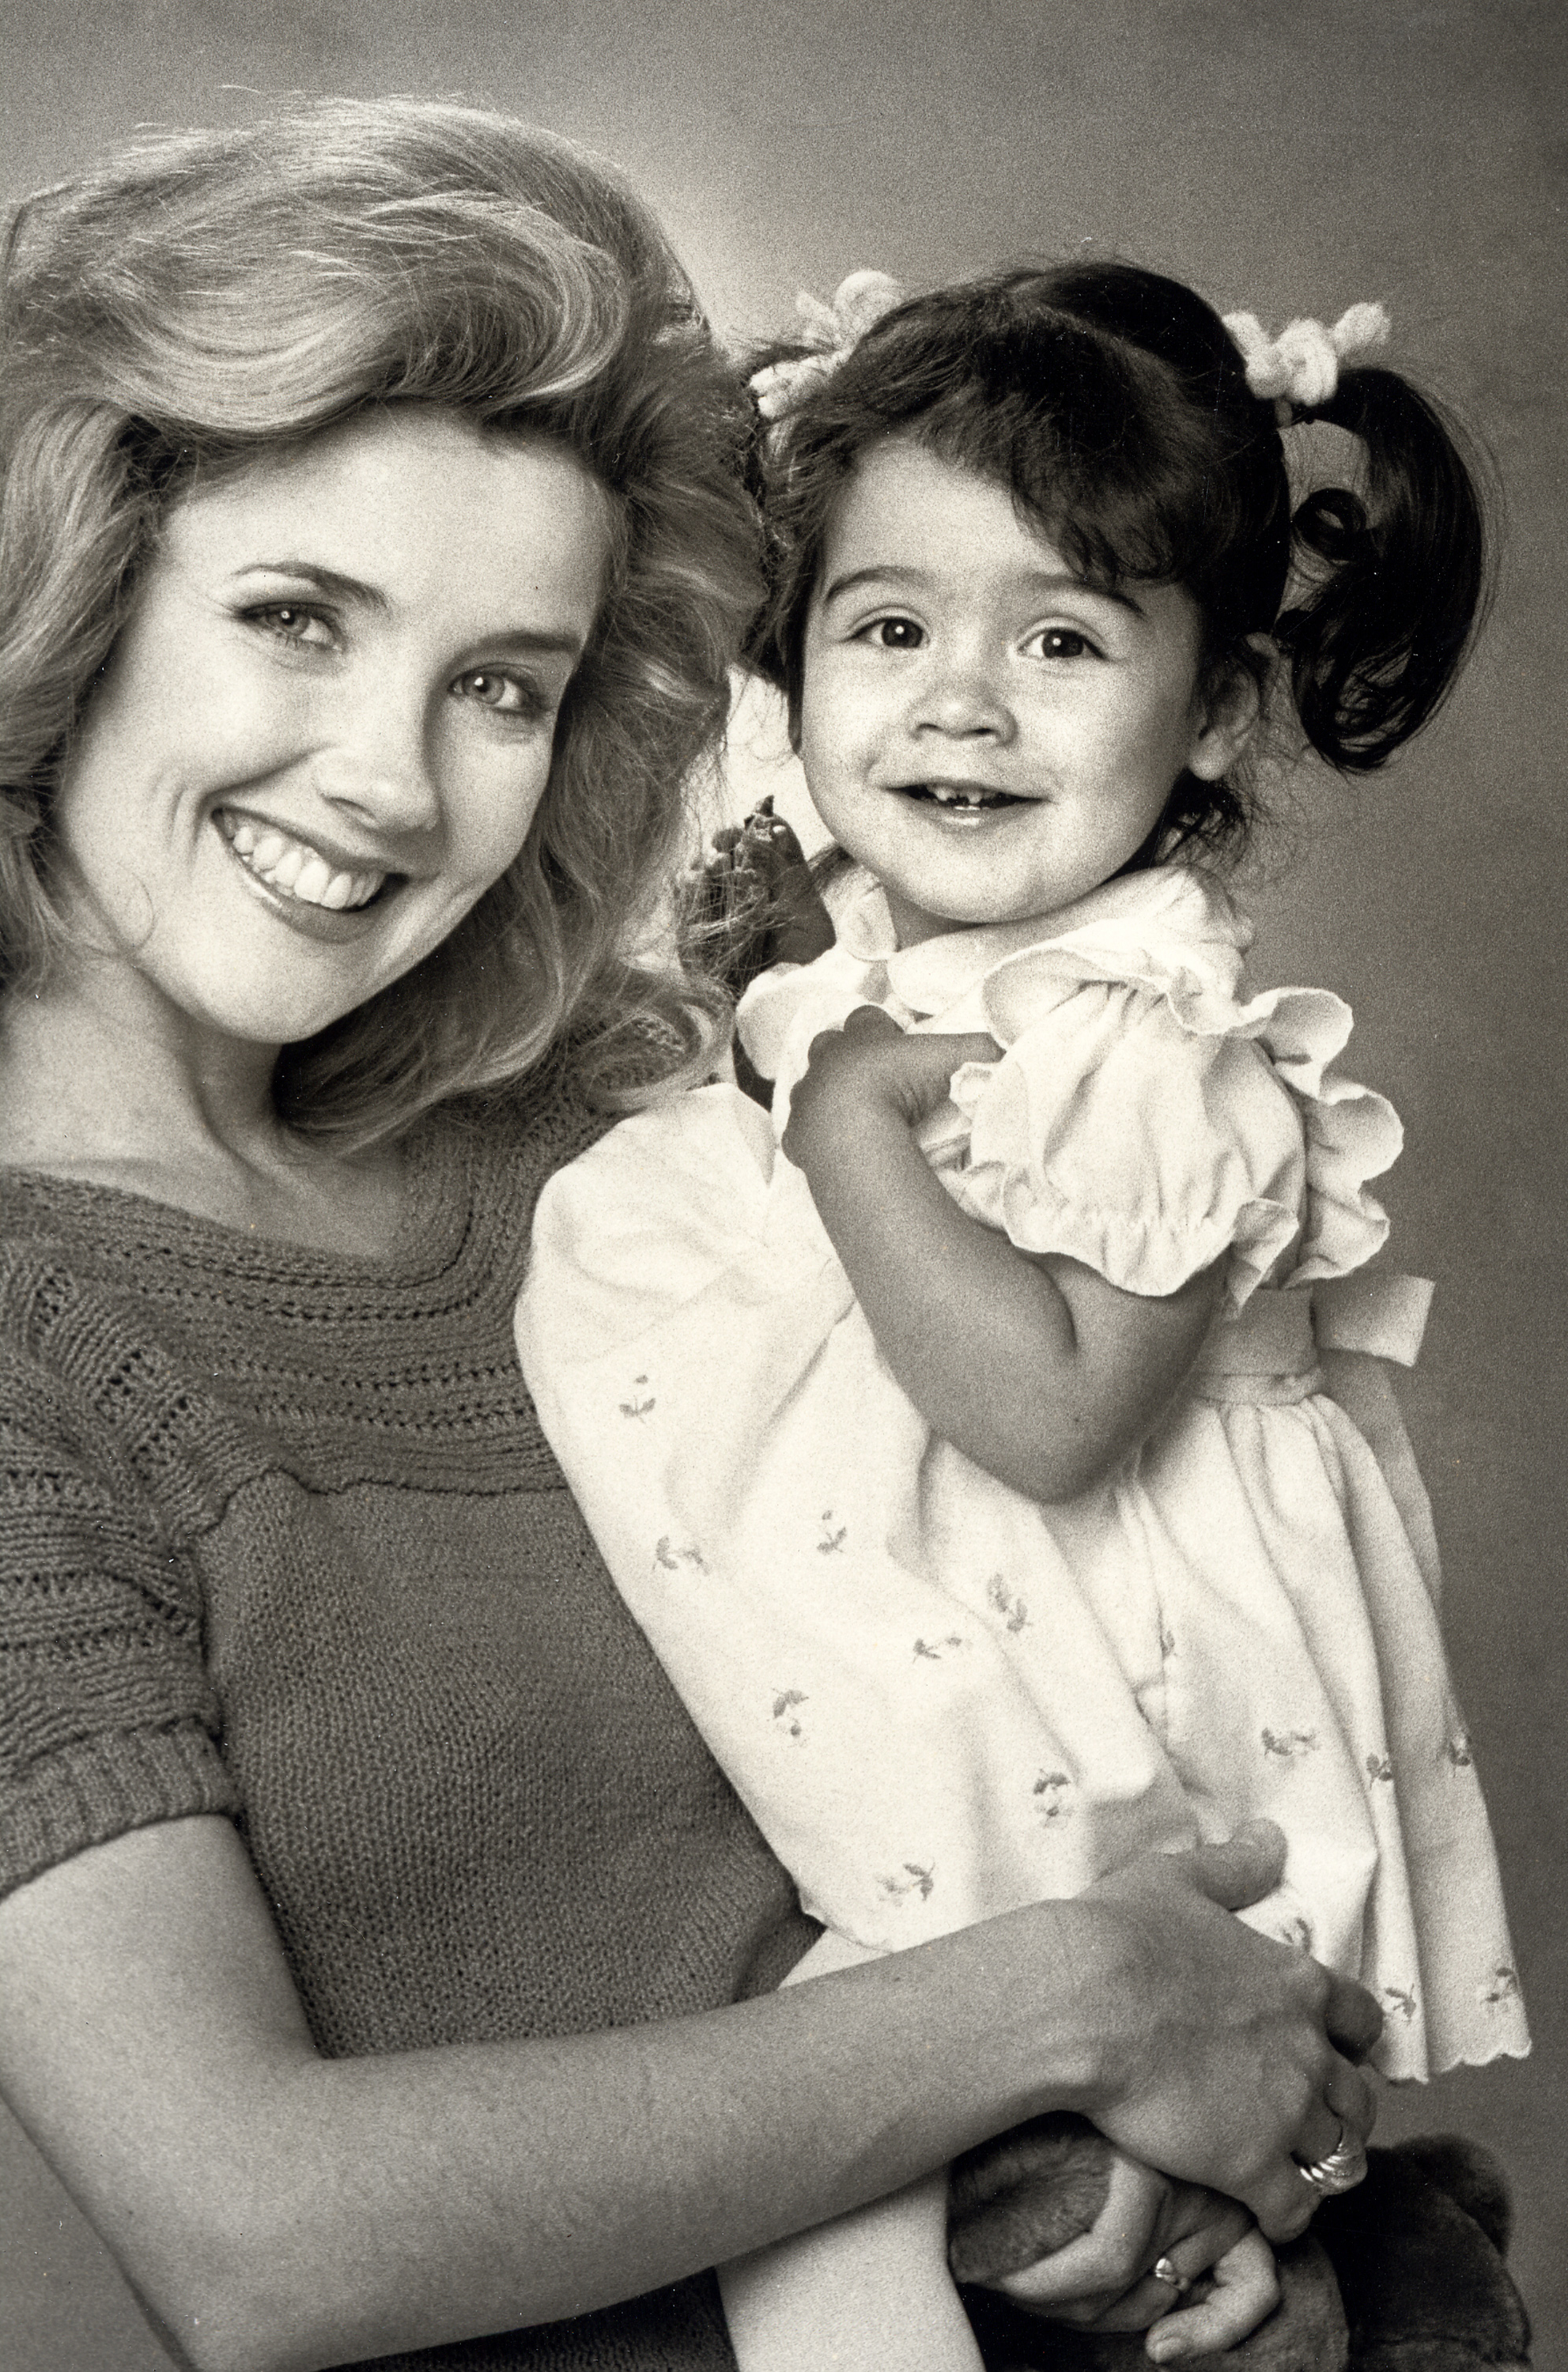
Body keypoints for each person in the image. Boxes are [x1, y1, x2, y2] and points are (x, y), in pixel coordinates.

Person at [0, 111, 1384, 2372]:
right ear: (49, 602)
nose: (393, 780)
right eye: (296, 619)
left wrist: (1179, 2212)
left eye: (506, 683)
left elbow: (1000, 1737)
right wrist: (1067, 2009)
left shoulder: (596, 1143)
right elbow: (262, 2240)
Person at [515, 263, 1529, 2369]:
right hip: (911, 1677)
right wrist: (789, 1024)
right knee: (861, 2134)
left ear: (1217, 706)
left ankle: (1326, 2267)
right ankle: (1268, 2265)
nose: (958, 703)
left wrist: (842, 1122)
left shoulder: (1169, 1049)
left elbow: (1049, 1417)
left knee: (851, 2119)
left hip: (1090, 1723)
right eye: (890, 628)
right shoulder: (883, 961)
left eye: (1061, 639)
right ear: (793, 664)